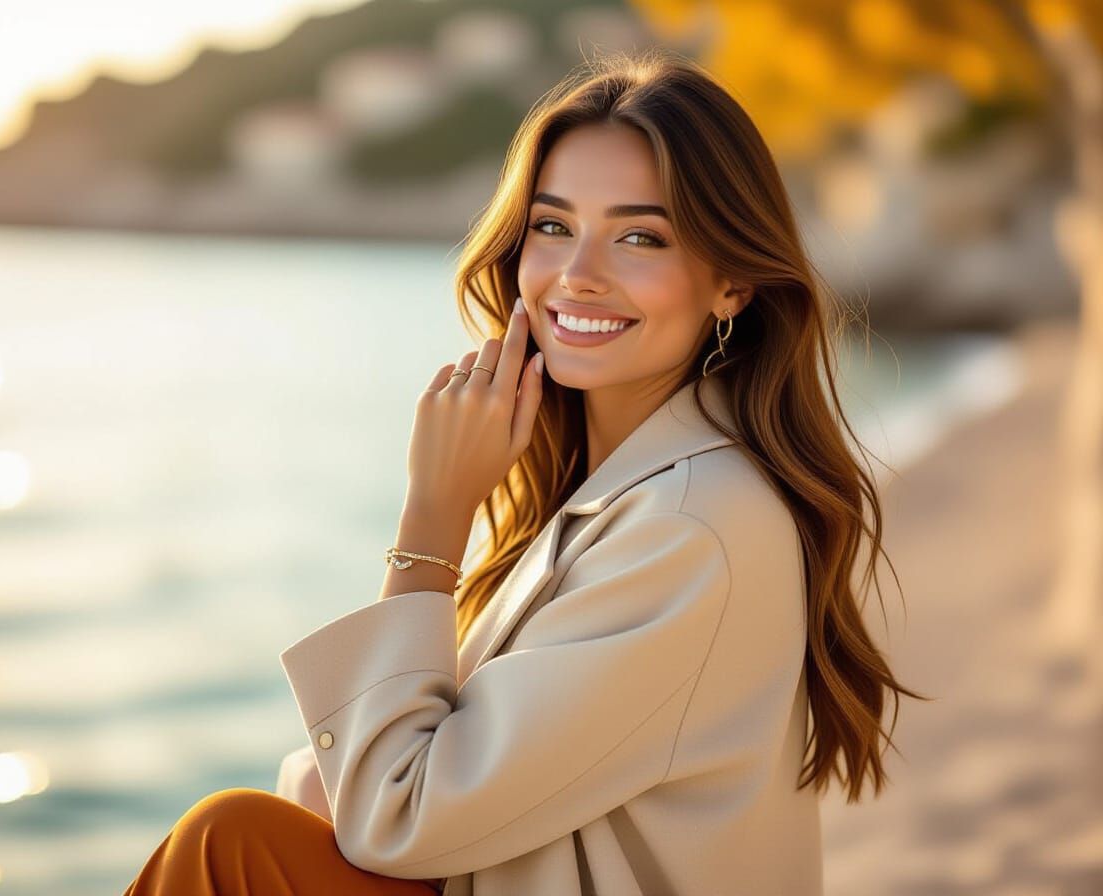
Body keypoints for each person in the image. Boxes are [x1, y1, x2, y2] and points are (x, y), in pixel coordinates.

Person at [123, 46, 927, 896]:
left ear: (730, 283)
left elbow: (398, 820)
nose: (578, 275)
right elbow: (374, 800)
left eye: (640, 236)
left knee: (228, 845)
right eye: (553, 226)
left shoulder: (691, 528)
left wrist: (433, 517)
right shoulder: (624, 492)